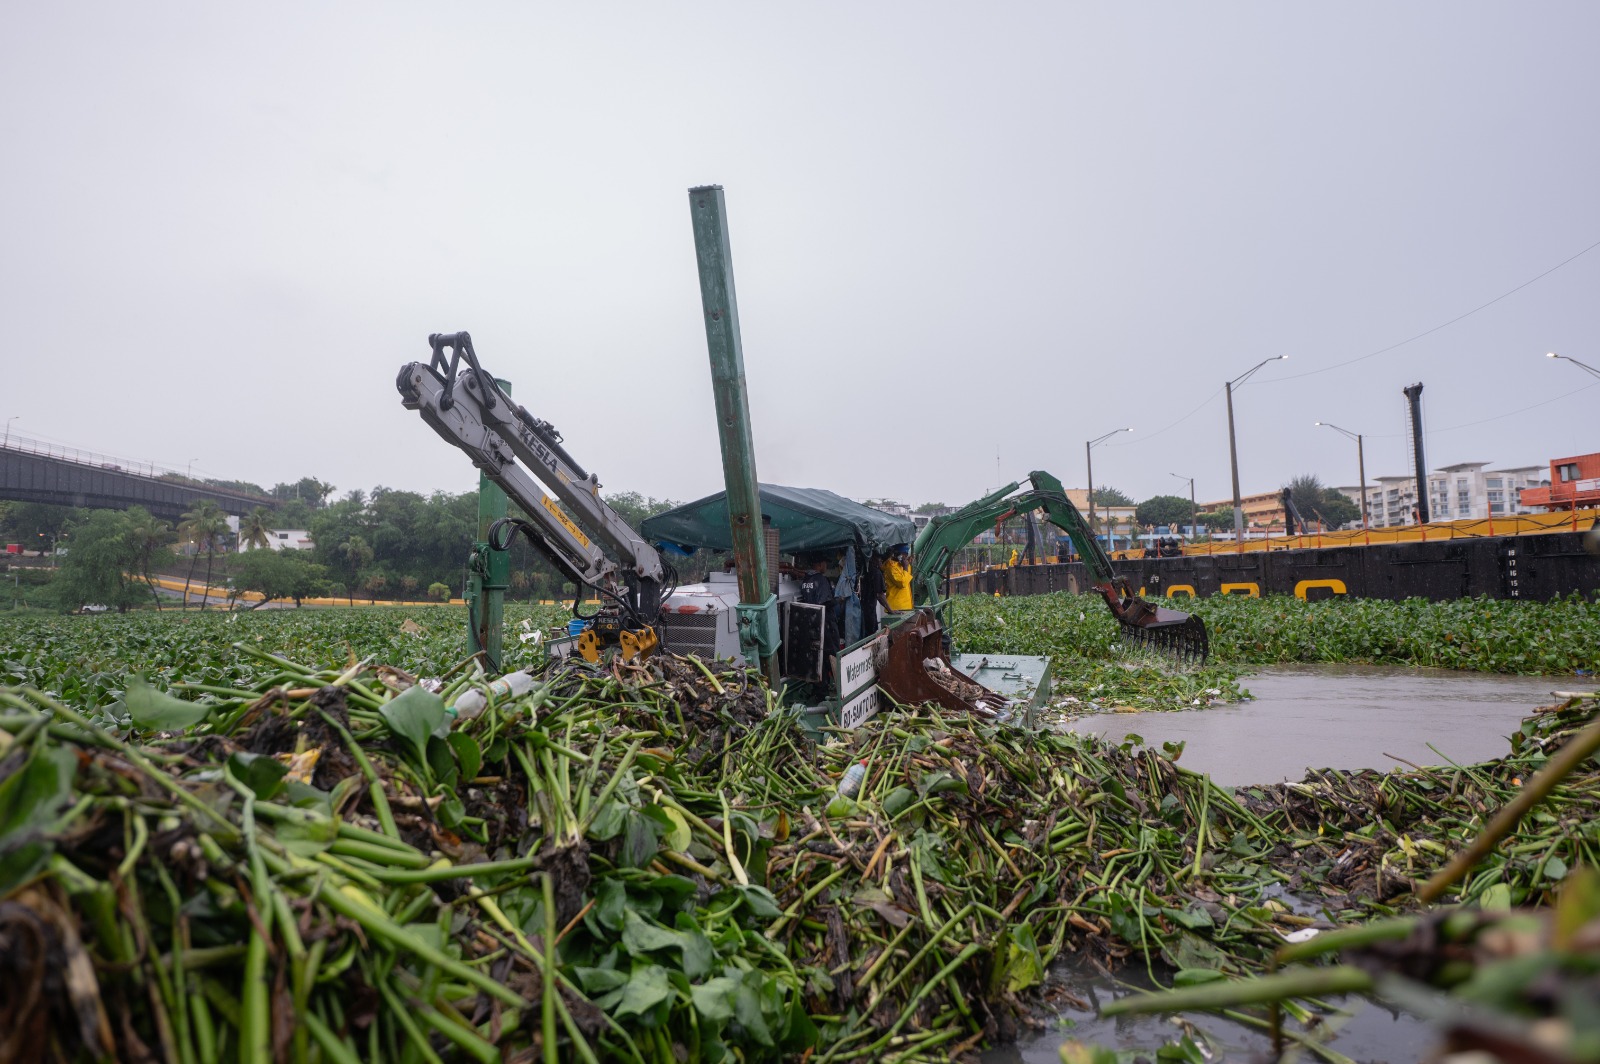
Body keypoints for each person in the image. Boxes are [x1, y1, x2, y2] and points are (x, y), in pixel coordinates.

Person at [880, 545, 913, 614]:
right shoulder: (891, 567)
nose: (905, 557)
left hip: (906, 605)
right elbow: (902, 583)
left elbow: (907, 577)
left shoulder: (901, 564)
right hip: (897, 607)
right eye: (904, 554)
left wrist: (908, 565)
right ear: (897, 554)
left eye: (906, 555)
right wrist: (906, 567)